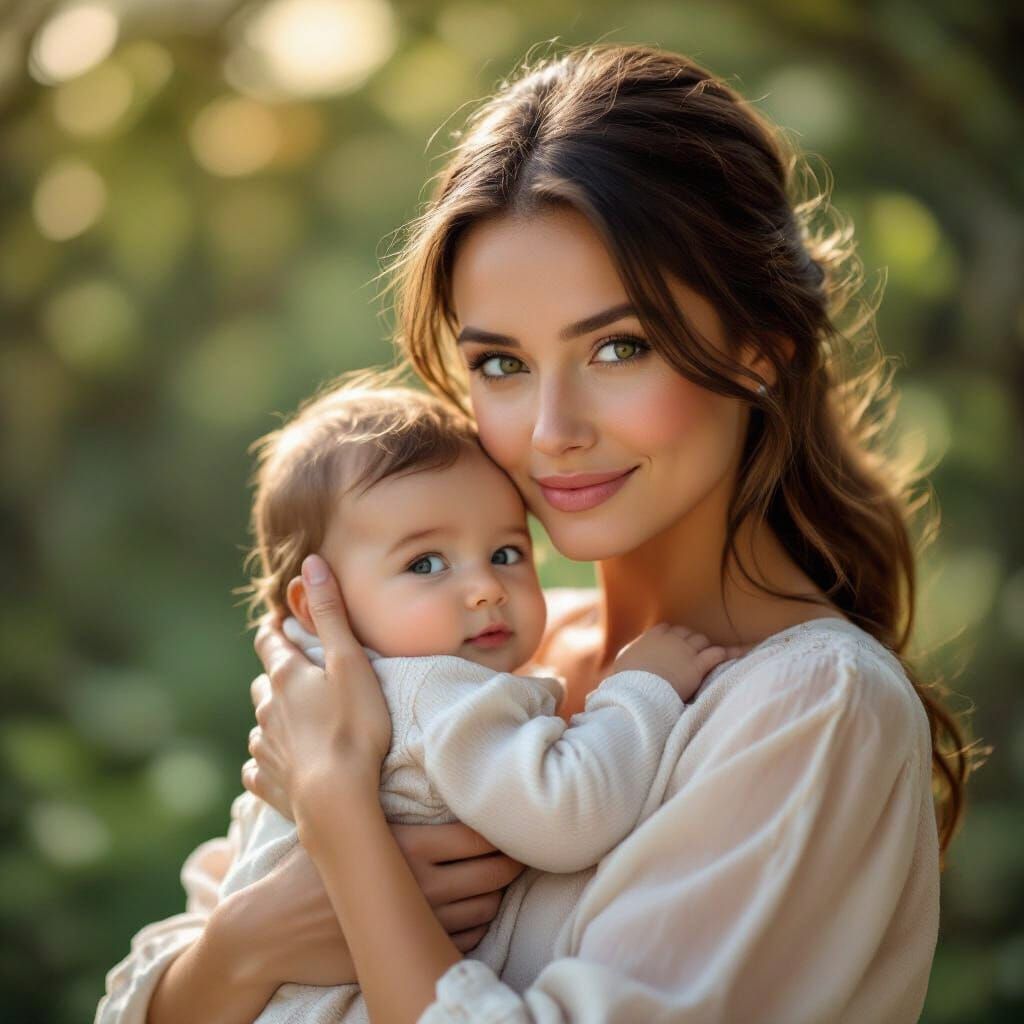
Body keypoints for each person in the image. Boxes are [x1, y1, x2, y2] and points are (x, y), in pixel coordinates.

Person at [95, 43, 972, 1024]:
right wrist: (257, 942)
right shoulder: (483, 643)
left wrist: (345, 823)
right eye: (502, 363)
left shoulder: (810, 708)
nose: (552, 430)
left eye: (617, 348)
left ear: (758, 351)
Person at [139, 372, 733, 1024]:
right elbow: (567, 816)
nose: (485, 587)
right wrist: (640, 687)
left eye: (506, 551)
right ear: (320, 605)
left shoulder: (312, 713)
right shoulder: (429, 688)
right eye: (426, 564)